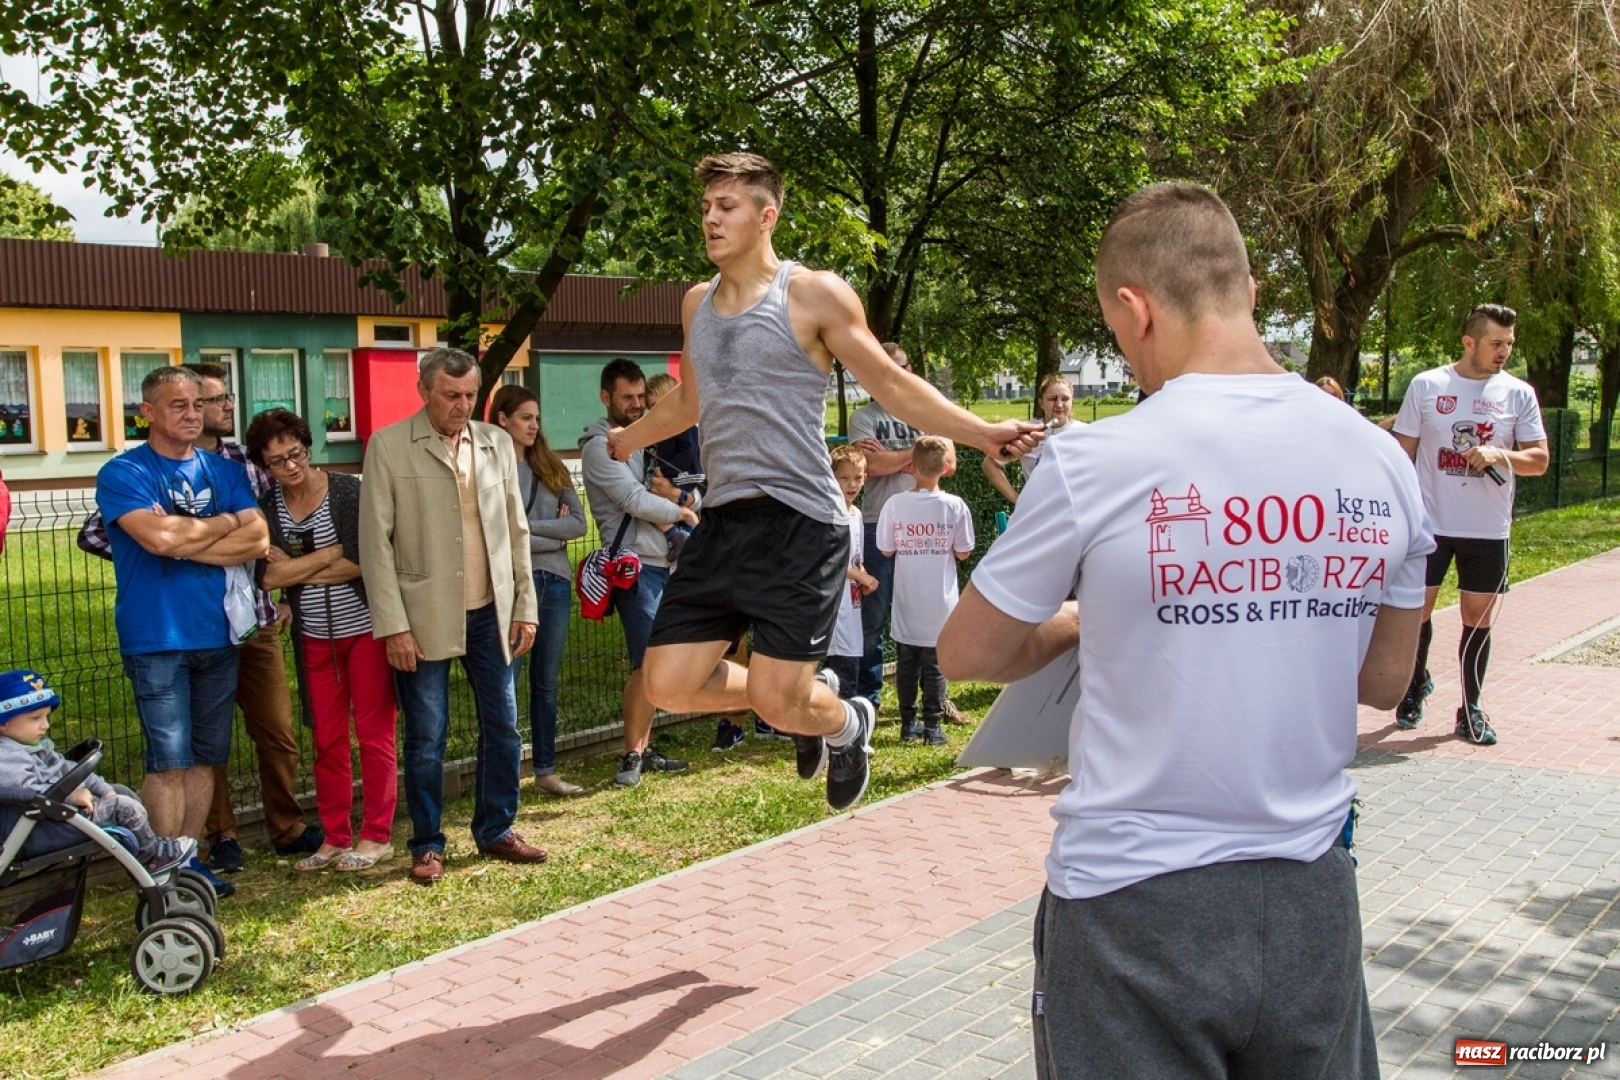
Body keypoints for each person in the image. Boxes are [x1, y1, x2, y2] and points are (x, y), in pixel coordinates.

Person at [938, 182, 1432, 1080]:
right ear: (1247, 291)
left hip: (1133, 906)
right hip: (1309, 893)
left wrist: (1085, 620)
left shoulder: (1098, 458)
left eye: (1120, 336)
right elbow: (1386, 683)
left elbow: (967, 653)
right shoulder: (1381, 460)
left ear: (1135, 308)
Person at [606, 152, 1040, 812]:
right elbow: (692, 402)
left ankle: (843, 721)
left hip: (802, 523)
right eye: (706, 208)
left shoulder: (812, 294)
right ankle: (820, 700)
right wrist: (627, 440)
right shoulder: (697, 303)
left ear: (766, 216)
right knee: (667, 684)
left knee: (781, 703)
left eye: (727, 207)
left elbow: (891, 384)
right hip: (726, 520)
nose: (712, 218)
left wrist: (980, 432)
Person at [79, 363, 320, 878]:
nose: (192, 414)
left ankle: (187, 865)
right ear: (147, 412)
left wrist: (189, 539)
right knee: (168, 762)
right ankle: (157, 871)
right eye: (177, 405)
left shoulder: (227, 471)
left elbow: (256, 541)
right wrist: (222, 528)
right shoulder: (125, 473)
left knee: (207, 758)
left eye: (197, 404)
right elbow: (158, 540)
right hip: (156, 637)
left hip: (220, 635)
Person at [359, 347, 545, 885]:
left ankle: (496, 829)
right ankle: (426, 843)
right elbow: (376, 545)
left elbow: (517, 530)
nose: (462, 406)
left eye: (470, 396)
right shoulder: (389, 446)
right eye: (450, 396)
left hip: (494, 609)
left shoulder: (496, 443)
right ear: (424, 390)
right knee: (426, 736)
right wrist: (393, 625)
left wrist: (525, 606)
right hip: (422, 617)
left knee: (504, 726)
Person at [247, 409, 397, 872]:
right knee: (328, 740)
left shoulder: (347, 491)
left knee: (374, 735)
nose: (290, 466)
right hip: (314, 637)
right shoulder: (268, 509)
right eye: (277, 461)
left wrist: (306, 563)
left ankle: (376, 835)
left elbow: (365, 559)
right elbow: (268, 578)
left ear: (308, 448)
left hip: (365, 630)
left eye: (296, 454)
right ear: (264, 466)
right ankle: (334, 837)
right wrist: (329, 553)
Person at [1391, 303, 1548, 745]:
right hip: (1430, 525)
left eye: (1509, 344)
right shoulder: (1427, 385)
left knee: (1477, 617)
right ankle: (1414, 686)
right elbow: (1401, 455)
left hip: (1487, 528)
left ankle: (1470, 708)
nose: (1504, 352)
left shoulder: (1518, 394)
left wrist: (1502, 455)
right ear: (1469, 342)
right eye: (1496, 343)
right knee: (1416, 610)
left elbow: (1539, 460)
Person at [579, 359, 698, 787]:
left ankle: (643, 748)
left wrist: (684, 499)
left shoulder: (643, 442)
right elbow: (634, 498)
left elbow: (683, 485)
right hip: (635, 566)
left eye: (639, 397)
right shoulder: (598, 447)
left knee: (660, 662)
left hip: (665, 563)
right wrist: (683, 511)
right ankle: (631, 755)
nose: (635, 405)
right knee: (647, 663)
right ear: (605, 397)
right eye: (626, 398)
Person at [490, 384, 587, 798]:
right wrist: (551, 533)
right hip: (511, 584)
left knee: (546, 682)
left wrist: (527, 530)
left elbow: (578, 526)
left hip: (555, 583)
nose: (534, 425)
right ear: (502, 420)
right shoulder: (490, 469)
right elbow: (493, 535)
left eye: (536, 418)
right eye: (525, 417)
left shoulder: (552, 466)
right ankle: (505, 773)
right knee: (506, 681)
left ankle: (545, 770)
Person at [0, 669, 189, 869]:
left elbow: (68, 769)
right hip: (35, 831)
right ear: (3, 722)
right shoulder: (6, 757)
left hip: (54, 815)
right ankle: (152, 860)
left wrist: (103, 788)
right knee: (124, 808)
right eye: (36, 718)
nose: (45, 725)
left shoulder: (35, 745)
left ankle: (144, 855)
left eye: (46, 717)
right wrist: (71, 796)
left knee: (121, 793)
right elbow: (28, 792)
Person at [877, 436, 974, 745]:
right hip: (941, 601)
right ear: (946, 468)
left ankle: (908, 723)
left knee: (907, 663)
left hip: (907, 598)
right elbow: (963, 552)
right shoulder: (954, 506)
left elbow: (885, 548)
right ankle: (932, 727)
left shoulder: (895, 504)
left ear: (911, 467)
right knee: (935, 664)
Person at [847, 342, 922, 709]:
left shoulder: (924, 408)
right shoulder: (863, 417)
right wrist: (920, 452)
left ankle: (927, 701)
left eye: (900, 367)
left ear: (908, 370)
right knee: (872, 619)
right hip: (879, 525)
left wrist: (891, 456)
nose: (894, 374)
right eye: (885, 368)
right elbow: (869, 467)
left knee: (921, 614)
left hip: (922, 527)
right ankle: (867, 699)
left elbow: (949, 462)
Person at [826, 445, 878, 699]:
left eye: (857, 477)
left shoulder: (856, 514)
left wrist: (864, 575)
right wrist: (859, 577)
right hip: (834, 608)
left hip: (852, 606)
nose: (852, 484)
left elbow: (854, 558)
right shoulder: (830, 513)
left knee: (851, 672)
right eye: (844, 478)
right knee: (839, 675)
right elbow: (828, 560)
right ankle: (837, 732)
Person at [981, 373, 1078, 505]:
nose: (1059, 404)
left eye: (1065, 399)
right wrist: (1018, 500)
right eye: (1052, 399)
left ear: (1072, 401)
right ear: (1041, 402)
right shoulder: (1026, 431)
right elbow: (990, 464)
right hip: (1039, 513)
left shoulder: (1086, 433)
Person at [644, 372, 704, 563]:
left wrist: (665, 470)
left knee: (648, 498)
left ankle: (676, 534)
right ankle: (683, 533)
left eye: (656, 406)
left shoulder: (682, 425)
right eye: (650, 408)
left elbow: (688, 453)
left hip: (687, 477)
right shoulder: (665, 429)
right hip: (681, 478)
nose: (653, 413)